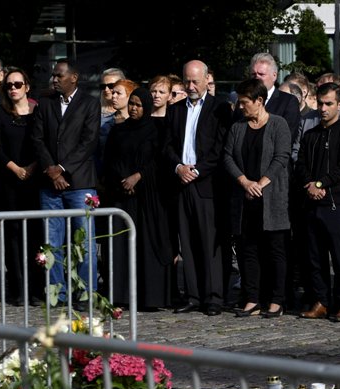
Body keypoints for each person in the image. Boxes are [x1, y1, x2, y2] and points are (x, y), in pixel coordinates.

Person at [31, 58, 101, 310]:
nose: (54, 79)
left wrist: (62, 169)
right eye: (53, 75)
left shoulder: (90, 104)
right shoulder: (45, 103)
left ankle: (85, 293)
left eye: (59, 75)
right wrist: (51, 170)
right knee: (52, 243)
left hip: (79, 182)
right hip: (49, 184)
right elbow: (37, 139)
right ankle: (56, 293)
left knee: (85, 243)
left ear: (74, 77)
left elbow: (89, 141)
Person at [163, 59, 231, 316]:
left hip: (207, 184)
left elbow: (220, 147)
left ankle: (214, 296)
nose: (190, 86)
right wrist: (179, 167)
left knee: (209, 242)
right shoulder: (176, 110)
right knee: (187, 241)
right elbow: (167, 145)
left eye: (195, 81)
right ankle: (193, 295)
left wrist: (198, 169)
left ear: (206, 80)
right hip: (181, 182)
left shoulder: (219, 108)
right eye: (187, 81)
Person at [222, 78, 291, 318]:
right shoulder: (238, 127)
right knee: (246, 250)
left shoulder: (278, 125)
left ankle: (276, 300)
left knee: (274, 251)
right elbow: (228, 156)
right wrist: (245, 182)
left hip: (271, 199)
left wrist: (261, 183)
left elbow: (281, 157)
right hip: (244, 200)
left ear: (259, 101)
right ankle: (252, 298)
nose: (240, 107)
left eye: (244, 102)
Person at [101, 87, 172, 309]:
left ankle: (149, 297)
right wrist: (122, 179)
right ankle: (120, 295)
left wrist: (138, 176)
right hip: (121, 195)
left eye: (138, 105)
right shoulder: (118, 131)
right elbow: (109, 160)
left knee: (146, 244)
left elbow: (159, 161)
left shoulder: (156, 130)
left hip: (147, 197)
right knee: (121, 244)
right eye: (131, 103)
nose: (133, 108)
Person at [296, 82, 340, 323]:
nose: (323, 108)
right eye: (320, 103)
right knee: (315, 257)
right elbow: (300, 164)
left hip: (336, 204)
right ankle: (321, 301)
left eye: (329, 104)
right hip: (311, 203)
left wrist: (320, 184)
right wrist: (310, 184)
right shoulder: (310, 134)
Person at [0, 67, 43, 307]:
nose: (13, 88)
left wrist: (31, 167)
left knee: (35, 235)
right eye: (9, 85)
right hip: (9, 180)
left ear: (27, 87)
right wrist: (15, 168)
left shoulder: (38, 111)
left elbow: (43, 143)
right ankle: (17, 288)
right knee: (12, 235)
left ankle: (36, 287)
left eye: (18, 84)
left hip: (34, 180)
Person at [248, 52, 301, 143]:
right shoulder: (243, 102)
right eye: (253, 74)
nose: (256, 78)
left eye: (261, 74)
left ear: (274, 76)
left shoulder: (288, 102)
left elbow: (287, 138)